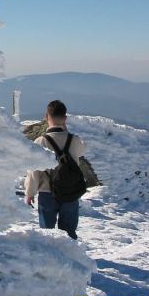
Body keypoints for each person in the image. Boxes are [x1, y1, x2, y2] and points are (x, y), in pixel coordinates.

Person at [24, 100, 86, 240]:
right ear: (65, 118)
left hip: (47, 193)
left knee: (47, 234)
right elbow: (83, 150)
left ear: (46, 117)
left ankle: (51, 259)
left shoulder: (41, 141)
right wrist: (66, 132)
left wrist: (30, 193)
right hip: (71, 192)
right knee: (69, 232)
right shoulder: (74, 140)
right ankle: (72, 257)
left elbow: (34, 172)